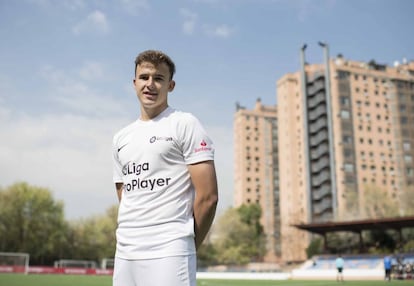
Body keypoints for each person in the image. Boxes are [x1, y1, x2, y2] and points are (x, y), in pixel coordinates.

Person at [112, 50, 218, 286]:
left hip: (170, 250)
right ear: (134, 83)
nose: (150, 84)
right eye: (144, 77)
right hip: (126, 252)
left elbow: (208, 197)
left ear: (170, 85)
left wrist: (186, 243)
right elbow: (126, 194)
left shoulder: (184, 124)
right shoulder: (120, 138)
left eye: (158, 78)